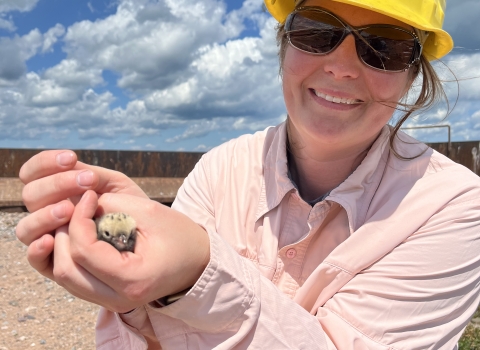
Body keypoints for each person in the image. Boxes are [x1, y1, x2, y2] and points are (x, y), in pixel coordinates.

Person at [15, 0, 480, 348]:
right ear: (285, 44)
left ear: (412, 75)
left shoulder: (453, 207)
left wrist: (195, 273)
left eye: (384, 46)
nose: (341, 65)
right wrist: (122, 235)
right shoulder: (221, 167)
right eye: (317, 32)